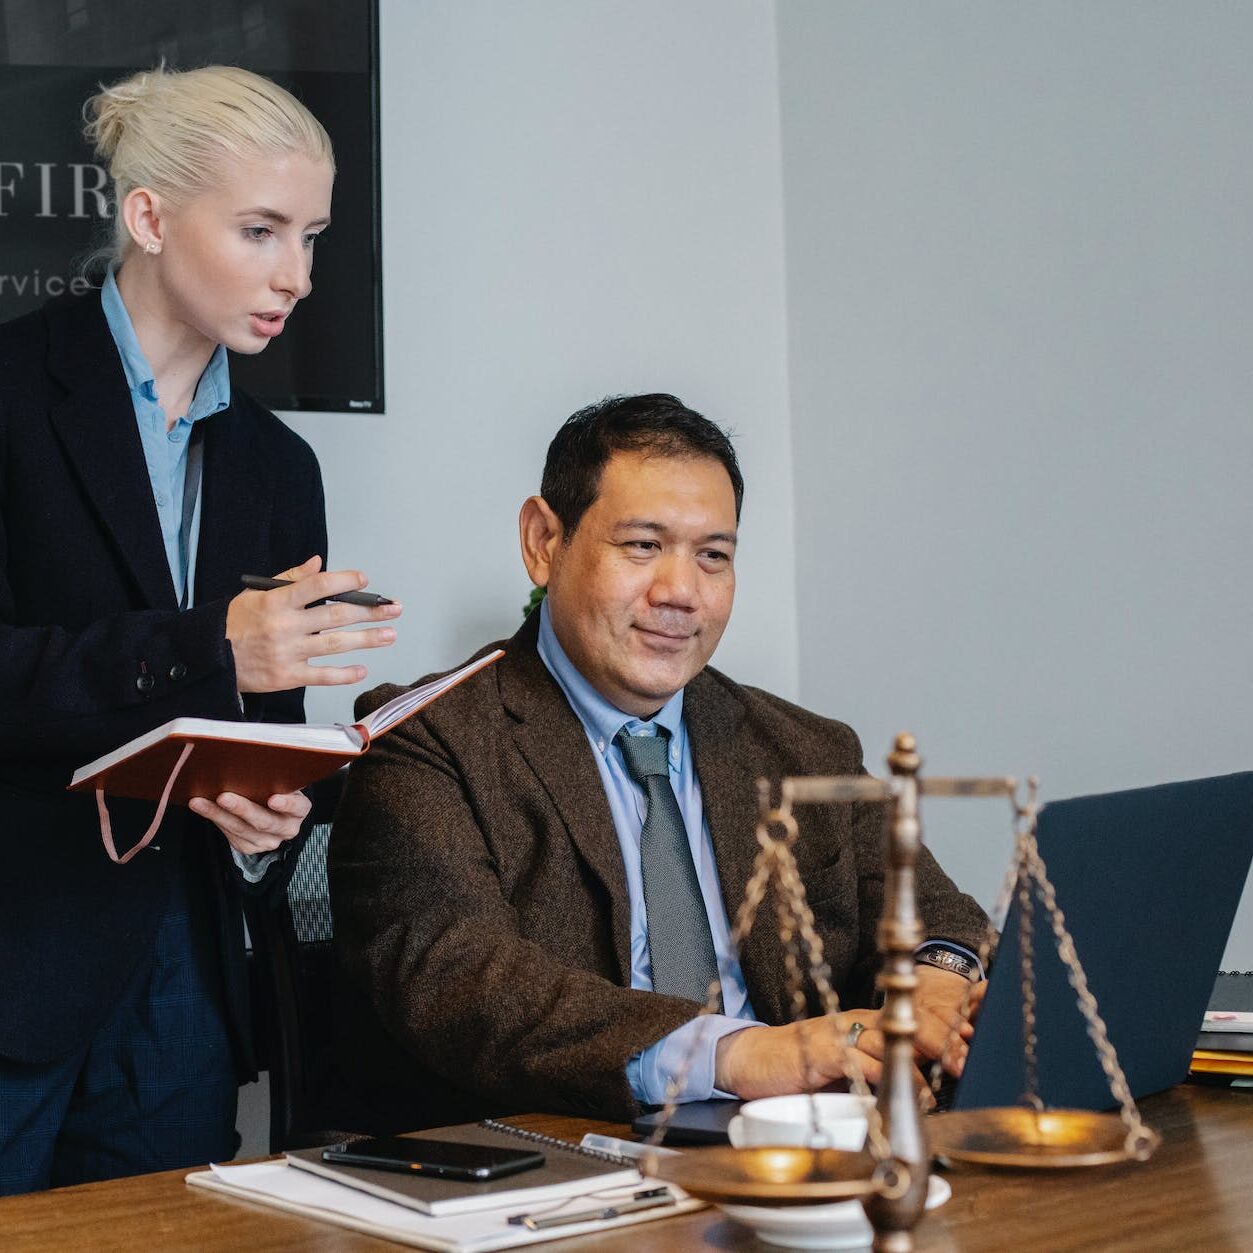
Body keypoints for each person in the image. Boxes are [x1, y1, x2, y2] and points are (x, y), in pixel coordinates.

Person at [327, 393, 987, 1133]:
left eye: (713, 555)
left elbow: (942, 911)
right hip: (554, 1164)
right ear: (543, 541)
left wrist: (936, 987)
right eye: (642, 546)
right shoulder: (427, 738)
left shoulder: (806, 746)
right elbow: (463, 981)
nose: (680, 593)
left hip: (799, 1157)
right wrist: (740, 1053)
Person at [0, 65, 400, 1193]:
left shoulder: (280, 466)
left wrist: (271, 808)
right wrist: (212, 650)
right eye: (262, 229)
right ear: (148, 216)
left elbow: (266, 726)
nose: (298, 275)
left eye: (311, 236)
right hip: (17, 950)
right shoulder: (10, 393)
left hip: (185, 976)